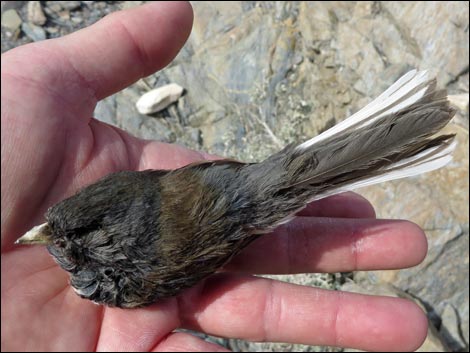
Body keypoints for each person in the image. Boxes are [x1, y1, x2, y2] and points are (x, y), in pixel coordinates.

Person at [1, 2, 429, 351]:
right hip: (218, 188)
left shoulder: (132, 280)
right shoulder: (121, 204)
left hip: (229, 206)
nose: (46, 236)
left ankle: (405, 133)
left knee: (309, 174)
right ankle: (405, 131)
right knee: (309, 169)